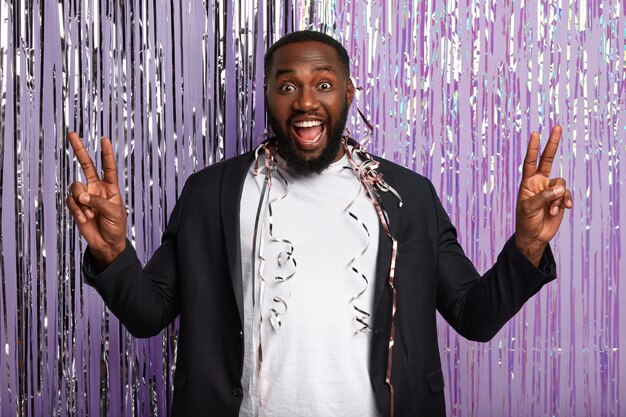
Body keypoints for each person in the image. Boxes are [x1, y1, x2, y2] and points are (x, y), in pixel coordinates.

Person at [66, 31, 572, 417]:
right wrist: (112, 251)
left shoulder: (408, 196)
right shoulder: (210, 192)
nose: (306, 101)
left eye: (323, 84)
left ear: (349, 92)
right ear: (267, 94)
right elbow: (148, 314)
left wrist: (526, 246)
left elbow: (473, 315)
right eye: (288, 85)